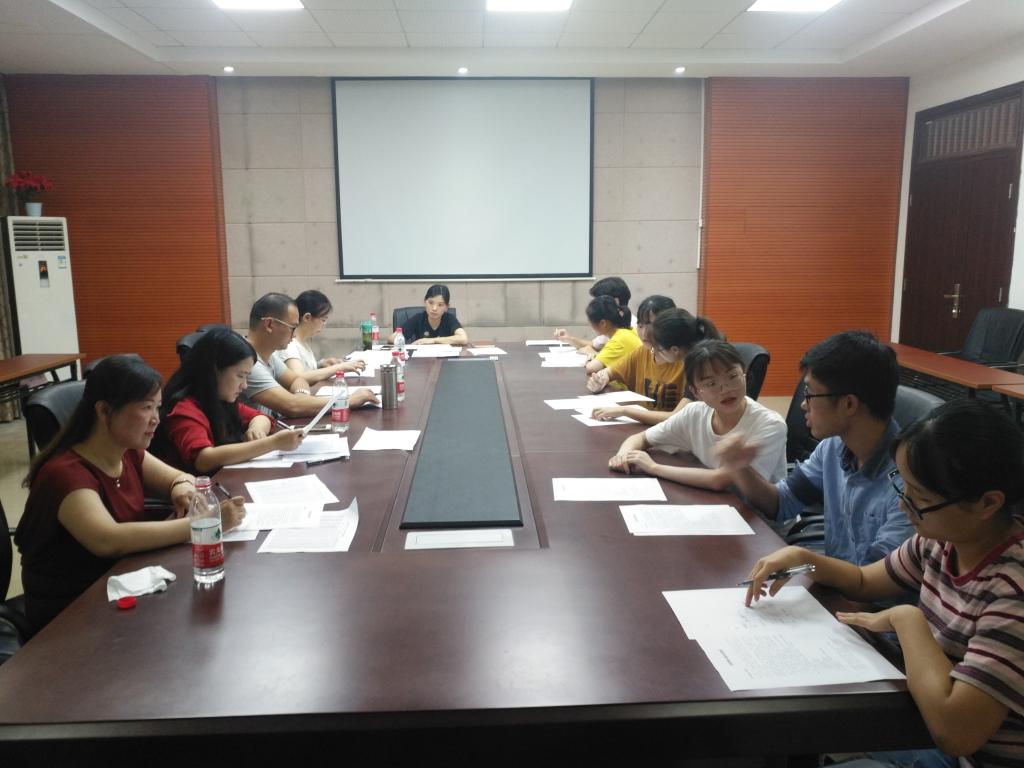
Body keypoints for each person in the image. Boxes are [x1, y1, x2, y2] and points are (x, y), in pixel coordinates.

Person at [744, 399, 1024, 768]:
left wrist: (907, 619)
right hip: (925, 722)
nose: (905, 507)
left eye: (920, 498)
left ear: (988, 503)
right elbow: (864, 580)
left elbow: (956, 732)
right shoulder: (942, 541)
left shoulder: (1013, 591)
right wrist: (803, 559)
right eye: (903, 487)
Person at [14, 355, 246, 635]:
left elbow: (179, 477)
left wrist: (180, 489)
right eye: (146, 407)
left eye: (157, 407)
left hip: (122, 585)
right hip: (71, 614)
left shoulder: (128, 452)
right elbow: (108, 539)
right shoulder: (65, 473)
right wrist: (205, 523)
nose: (156, 419)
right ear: (103, 411)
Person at [718, 330, 912, 565]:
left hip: (867, 588)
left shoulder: (908, 483)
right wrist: (740, 466)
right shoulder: (833, 446)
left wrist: (807, 561)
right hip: (836, 581)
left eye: (810, 393)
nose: (803, 404)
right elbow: (781, 503)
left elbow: (880, 577)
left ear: (849, 404)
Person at [609, 340, 785, 490]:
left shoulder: (770, 424)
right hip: (716, 502)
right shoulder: (695, 413)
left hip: (758, 515)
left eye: (732, 376)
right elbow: (641, 438)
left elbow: (720, 480)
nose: (725, 389)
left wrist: (653, 468)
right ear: (696, 392)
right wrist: (623, 456)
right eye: (711, 383)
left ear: (744, 374)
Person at [155, 326, 305, 475]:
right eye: (240, 376)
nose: (244, 385)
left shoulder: (220, 400)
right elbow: (203, 459)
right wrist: (272, 443)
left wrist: (256, 429)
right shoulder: (184, 408)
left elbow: (260, 417)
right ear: (214, 371)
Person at [244, 292, 378, 417]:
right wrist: (348, 400)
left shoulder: (269, 355)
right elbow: (292, 406)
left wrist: (301, 396)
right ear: (269, 325)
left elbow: (297, 380)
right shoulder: (247, 361)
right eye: (292, 328)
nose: (294, 334)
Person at [593, 307, 714, 426]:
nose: (653, 352)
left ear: (675, 350)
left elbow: (676, 417)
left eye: (657, 349)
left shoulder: (700, 368)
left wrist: (624, 411)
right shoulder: (695, 358)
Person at [586, 295, 684, 421]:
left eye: (652, 325)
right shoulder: (643, 352)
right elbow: (608, 373)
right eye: (640, 325)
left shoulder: (688, 361)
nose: (644, 333)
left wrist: (625, 411)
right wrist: (599, 381)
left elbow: (677, 418)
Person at [274, 290, 366, 385]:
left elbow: (304, 369)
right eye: (323, 320)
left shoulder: (302, 342)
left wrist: (320, 365)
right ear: (307, 317)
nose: (324, 324)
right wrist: (338, 368)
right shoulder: (290, 344)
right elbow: (298, 377)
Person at [554, 276, 633, 353]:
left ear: (615, 301)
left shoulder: (629, 328)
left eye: (599, 301)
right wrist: (569, 339)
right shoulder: (612, 324)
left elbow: (618, 358)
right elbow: (595, 345)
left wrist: (594, 354)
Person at [390, 284, 468, 346]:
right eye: (431, 303)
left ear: (446, 307)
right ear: (425, 302)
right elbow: (391, 338)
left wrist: (432, 340)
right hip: (421, 360)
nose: (434, 308)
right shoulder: (418, 318)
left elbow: (463, 338)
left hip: (445, 359)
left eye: (440, 305)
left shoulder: (449, 319)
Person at [582, 295, 641, 375]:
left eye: (590, 321)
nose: (590, 325)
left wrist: (591, 355)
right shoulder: (627, 331)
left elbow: (591, 368)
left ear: (603, 323)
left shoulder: (619, 339)